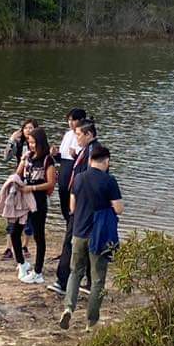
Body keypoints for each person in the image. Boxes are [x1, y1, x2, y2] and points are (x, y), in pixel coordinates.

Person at [61, 142, 124, 331]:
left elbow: (72, 207)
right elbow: (119, 209)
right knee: (97, 280)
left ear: (89, 160)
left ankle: (68, 308)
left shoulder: (79, 179)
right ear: (107, 161)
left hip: (79, 232)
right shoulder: (109, 180)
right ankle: (91, 322)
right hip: (99, 235)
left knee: (75, 272)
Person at [53, 119, 98, 294]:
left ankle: (63, 281)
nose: (76, 138)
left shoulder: (93, 152)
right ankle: (87, 280)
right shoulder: (85, 151)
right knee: (82, 242)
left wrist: (78, 204)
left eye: (79, 134)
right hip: (80, 206)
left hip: (84, 207)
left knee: (72, 241)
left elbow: (91, 181)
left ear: (89, 134)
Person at [8, 125, 54, 284]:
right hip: (23, 199)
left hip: (38, 200)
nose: (31, 145)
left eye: (34, 142)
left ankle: (38, 271)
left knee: (38, 235)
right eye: (29, 142)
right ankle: (21, 263)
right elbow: (18, 173)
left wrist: (32, 188)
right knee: (14, 231)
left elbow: (50, 183)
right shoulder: (27, 156)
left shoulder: (48, 159)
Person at [0, 119, 40, 261]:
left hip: (32, 184)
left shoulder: (39, 146)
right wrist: (11, 140)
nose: (28, 130)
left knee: (29, 217)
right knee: (12, 215)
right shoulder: (19, 144)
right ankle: (8, 248)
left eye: (31, 128)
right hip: (18, 182)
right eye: (26, 128)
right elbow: (5, 158)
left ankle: (25, 246)